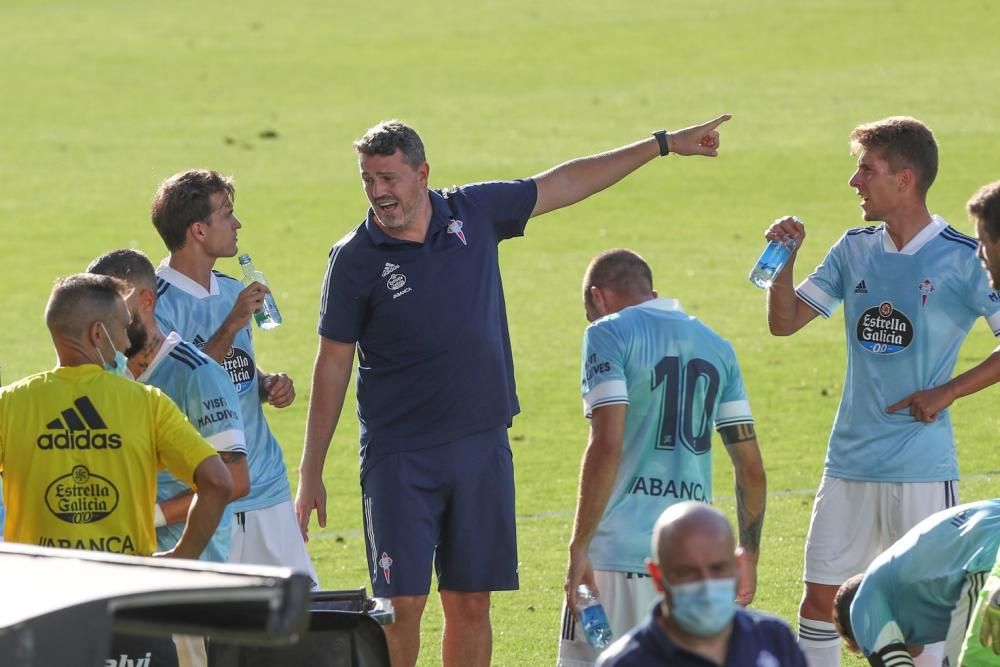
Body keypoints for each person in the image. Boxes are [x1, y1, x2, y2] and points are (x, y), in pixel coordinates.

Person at [297, 115, 732, 667]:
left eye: (389, 178)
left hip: (481, 445)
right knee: (400, 604)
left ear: (422, 173)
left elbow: (566, 183)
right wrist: (311, 471)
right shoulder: (354, 258)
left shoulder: (472, 213)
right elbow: (332, 364)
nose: (379, 192)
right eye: (368, 180)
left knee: (471, 602)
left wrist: (663, 145)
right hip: (399, 455)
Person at [762, 116, 1000, 667]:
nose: (855, 182)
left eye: (867, 169)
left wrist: (948, 392)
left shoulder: (965, 256)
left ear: (905, 178)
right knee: (820, 601)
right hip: (848, 461)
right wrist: (782, 267)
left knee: (921, 613)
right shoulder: (855, 248)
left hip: (920, 467)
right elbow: (785, 322)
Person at [0, 273, 232, 667]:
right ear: (96, 334)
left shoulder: (10, 404)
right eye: (124, 329)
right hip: (127, 603)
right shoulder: (146, 404)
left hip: (36, 607)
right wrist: (181, 558)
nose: (127, 342)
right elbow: (218, 481)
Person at [558, 249, 766, 666]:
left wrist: (579, 547)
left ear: (598, 298)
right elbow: (751, 469)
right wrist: (749, 556)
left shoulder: (608, 333)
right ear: (650, 292)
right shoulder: (717, 346)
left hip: (616, 556)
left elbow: (607, 443)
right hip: (690, 564)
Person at [150, 170, 318, 585]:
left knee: (298, 623)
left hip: (265, 485)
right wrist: (233, 322)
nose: (237, 224)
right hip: (206, 497)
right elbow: (177, 391)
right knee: (217, 635)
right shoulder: (157, 305)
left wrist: (265, 384)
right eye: (227, 214)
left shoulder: (229, 290)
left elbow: (233, 369)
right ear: (198, 230)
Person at [88, 249, 253, 667]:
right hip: (118, 575)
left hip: (187, 580)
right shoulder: (104, 374)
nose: (104, 323)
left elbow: (234, 479)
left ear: (145, 300)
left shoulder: (196, 373)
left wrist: (151, 516)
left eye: (113, 306)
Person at [596, 502, 805, 666]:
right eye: (687, 572)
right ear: (658, 576)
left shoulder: (775, 639)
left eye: (718, 568)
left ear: (738, 566)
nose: (706, 585)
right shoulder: (625, 663)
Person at [831, 499, 1000, 666]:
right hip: (986, 543)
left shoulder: (861, 607)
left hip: (986, 563)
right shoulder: (897, 572)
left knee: (968, 661)